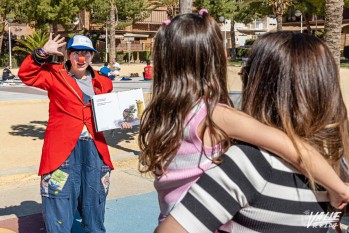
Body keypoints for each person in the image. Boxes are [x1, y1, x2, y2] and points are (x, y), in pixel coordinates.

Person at [138, 11, 349, 229]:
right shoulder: (217, 117)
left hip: (173, 215)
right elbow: (291, 146)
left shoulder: (165, 116)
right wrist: (338, 188)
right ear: (216, 59)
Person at [18, 34, 130, 233]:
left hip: (94, 149)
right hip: (63, 151)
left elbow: (105, 114)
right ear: (68, 55)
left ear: (91, 57)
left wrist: (120, 121)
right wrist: (41, 53)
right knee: (59, 199)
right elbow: (26, 74)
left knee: (94, 201)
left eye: (86, 53)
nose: (81, 57)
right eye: (76, 52)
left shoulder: (104, 83)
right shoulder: (54, 74)